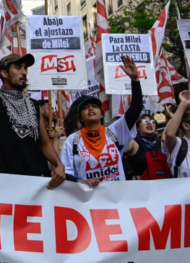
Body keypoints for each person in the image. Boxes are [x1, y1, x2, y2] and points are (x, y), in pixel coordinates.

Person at [0, 49, 65, 187]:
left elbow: (44, 144)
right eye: (18, 67)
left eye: (25, 68)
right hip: (8, 187)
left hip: (37, 184)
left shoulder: (34, 105)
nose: (24, 72)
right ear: (4, 73)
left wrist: (59, 165)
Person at [60, 56, 142, 184]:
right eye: (86, 108)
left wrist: (135, 80)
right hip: (88, 199)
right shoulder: (72, 141)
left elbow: (136, 108)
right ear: (81, 118)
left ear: (102, 115)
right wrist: (81, 181)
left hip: (116, 198)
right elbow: (64, 172)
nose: (91, 109)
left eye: (94, 107)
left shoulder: (114, 132)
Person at [124, 114, 170, 180]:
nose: (149, 123)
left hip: (161, 185)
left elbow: (170, 134)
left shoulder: (162, 142)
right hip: (140, 186)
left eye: (152, 122)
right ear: (137, 128)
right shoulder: (133, 143)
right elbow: (117, 152)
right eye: (145, 121)